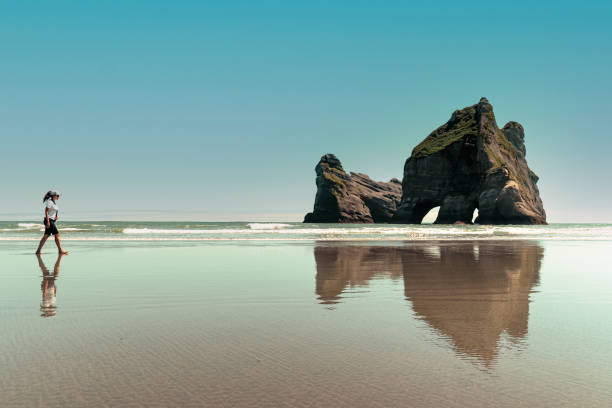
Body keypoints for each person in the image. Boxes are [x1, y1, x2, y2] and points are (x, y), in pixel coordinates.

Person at [37, 253, 64, 317]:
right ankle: (39, 259)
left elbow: (44, 295)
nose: (54, 307)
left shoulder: (46, 304)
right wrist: (55, 288)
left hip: (47, 287)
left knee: (46, 273)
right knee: (50, 273)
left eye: (53, 308)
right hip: (51, 286)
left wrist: (45, 286)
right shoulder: (53, 302)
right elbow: (54, 294)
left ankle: (39, 259)